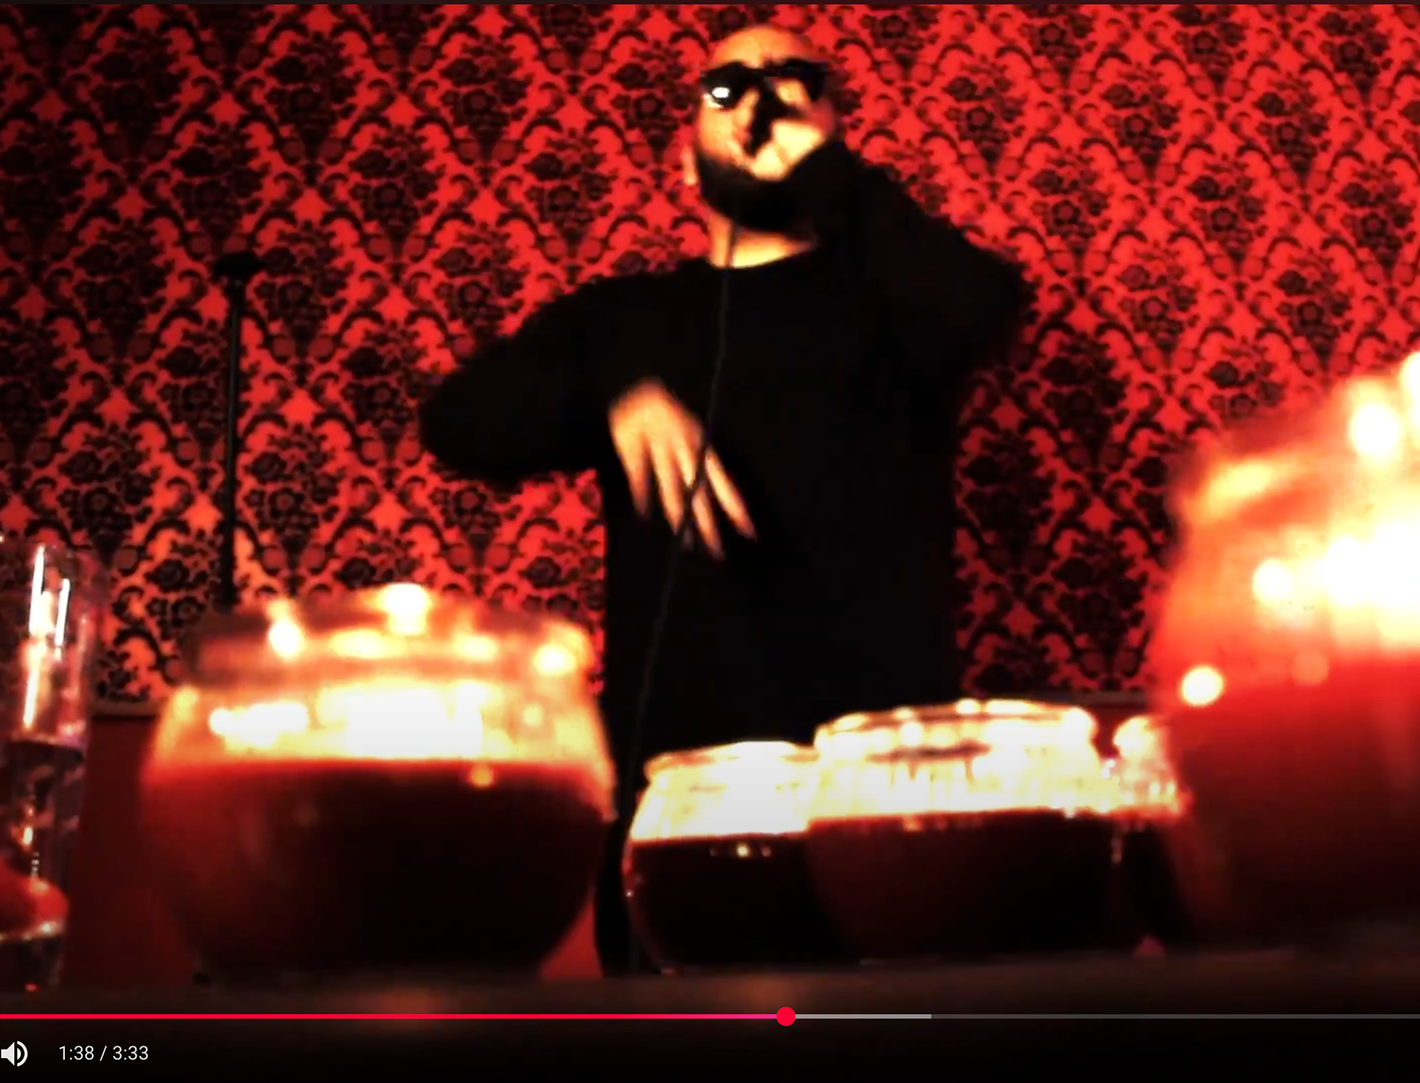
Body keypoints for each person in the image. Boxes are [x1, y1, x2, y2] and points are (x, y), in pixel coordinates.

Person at [418, 24, 1029, 974]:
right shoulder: (620, 323)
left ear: (833, 126)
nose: (760, 96)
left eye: (793, 79)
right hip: (682, 804)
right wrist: (615, 391)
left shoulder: (890, 300)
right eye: (726, 86)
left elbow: (985, 303)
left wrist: (824, 175)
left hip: (879, 799)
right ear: (682, 165)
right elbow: (458, 421)